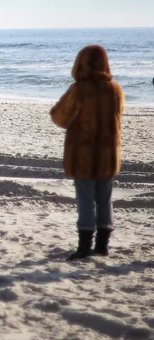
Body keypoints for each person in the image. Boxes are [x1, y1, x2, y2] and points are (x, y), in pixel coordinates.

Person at [50, 45, 124, 260]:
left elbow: (59, 117)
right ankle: (102, 246)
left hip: (83, 154)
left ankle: (84, 247)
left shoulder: (79, 90)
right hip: (108, 153)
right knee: (105, 199)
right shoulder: (115, 89)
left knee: (85, 199)